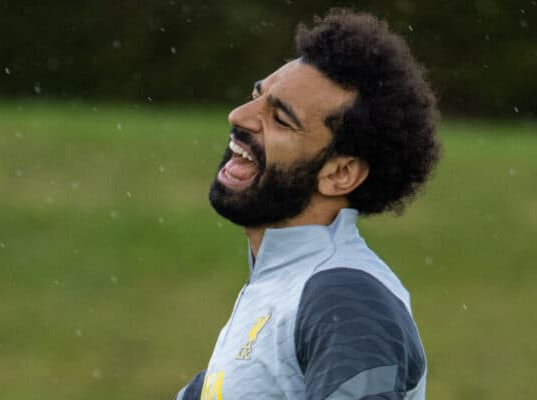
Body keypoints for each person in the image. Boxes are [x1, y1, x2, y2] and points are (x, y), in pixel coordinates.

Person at [175, 8, 439, 400]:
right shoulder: (282, 290)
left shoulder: (346, 299)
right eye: (256, 96)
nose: (240, 116)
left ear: (340, 173)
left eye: (280, 119)